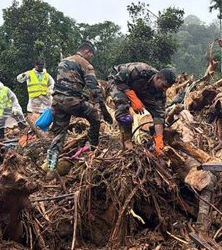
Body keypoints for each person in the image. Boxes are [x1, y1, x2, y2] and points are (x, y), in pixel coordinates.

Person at [45, 42, 102, 172]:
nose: (90, 58)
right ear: (87, 52)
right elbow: (94, 89)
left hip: (57, 101)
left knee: (59, 133)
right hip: (72, 101)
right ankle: (94, 149)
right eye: (91, 55)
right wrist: (99, 102)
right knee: (95, 117)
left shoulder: (63, 61)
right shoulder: (85, 64)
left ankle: (51, 167)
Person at [108, 62, 176, 153]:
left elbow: (159, 115)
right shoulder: (140, 70)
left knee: (160, 119)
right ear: (157, 78)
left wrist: (159, 139)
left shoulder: (161, 93)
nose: (165, 90)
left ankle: (155, 143)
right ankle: (127, 141)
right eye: (163, 86)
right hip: (118, 81)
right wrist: (133, 97)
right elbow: (118, 79)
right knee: (124, 111)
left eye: (167, 88)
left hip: (141, 89)